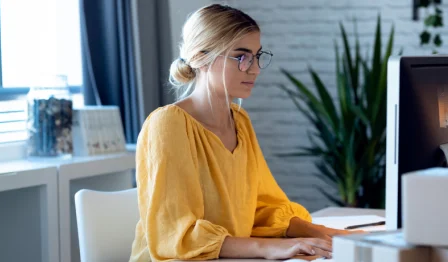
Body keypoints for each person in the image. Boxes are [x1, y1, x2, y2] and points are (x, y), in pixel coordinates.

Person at [129, 4, 359, 261]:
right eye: (241, 57)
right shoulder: (168, 124)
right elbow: (176, 235)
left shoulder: (239, 121)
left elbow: (262, 207)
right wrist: (268, 248)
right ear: (201, 57)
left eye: (257, 56)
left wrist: (323, 232)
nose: (255, 69)